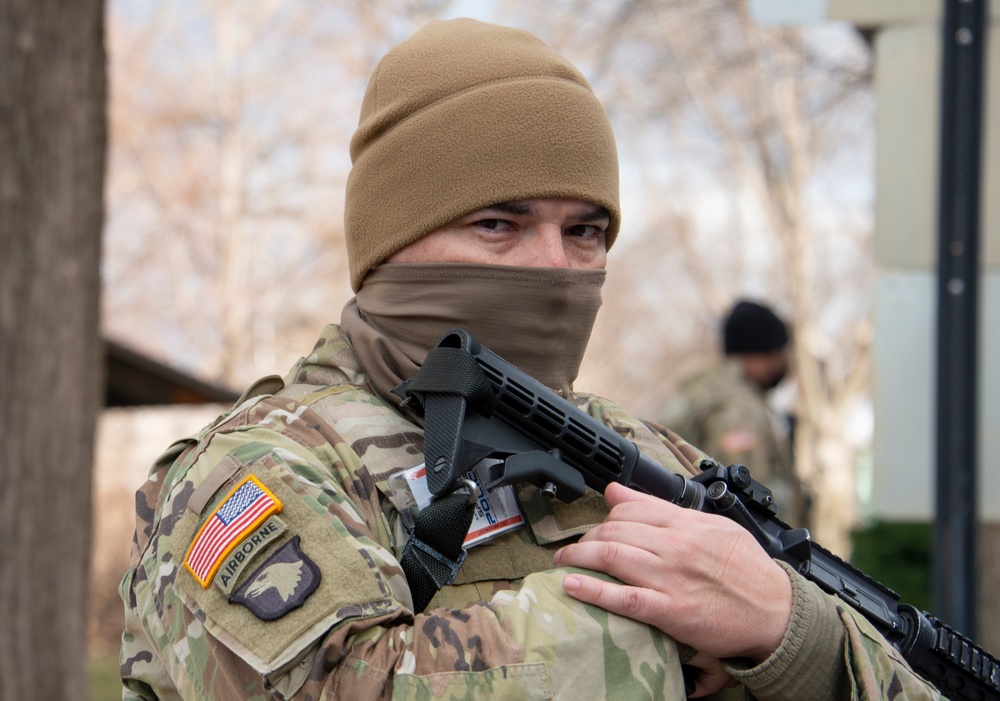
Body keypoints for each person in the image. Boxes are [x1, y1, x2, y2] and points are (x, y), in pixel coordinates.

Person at [119, 18, 941, 700]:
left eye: (585, 231)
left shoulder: (644, 457)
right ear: (391, 244)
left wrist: (791, 636)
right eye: (499, 224)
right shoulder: (264, 470)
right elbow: (341, 685)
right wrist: (679, 628)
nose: (554, 266)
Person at [659, 300, 810, 527]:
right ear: (762, 353)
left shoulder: (704, 388)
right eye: (781, 352)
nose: (785, 362)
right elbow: (745, 505)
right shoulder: (737, 406)